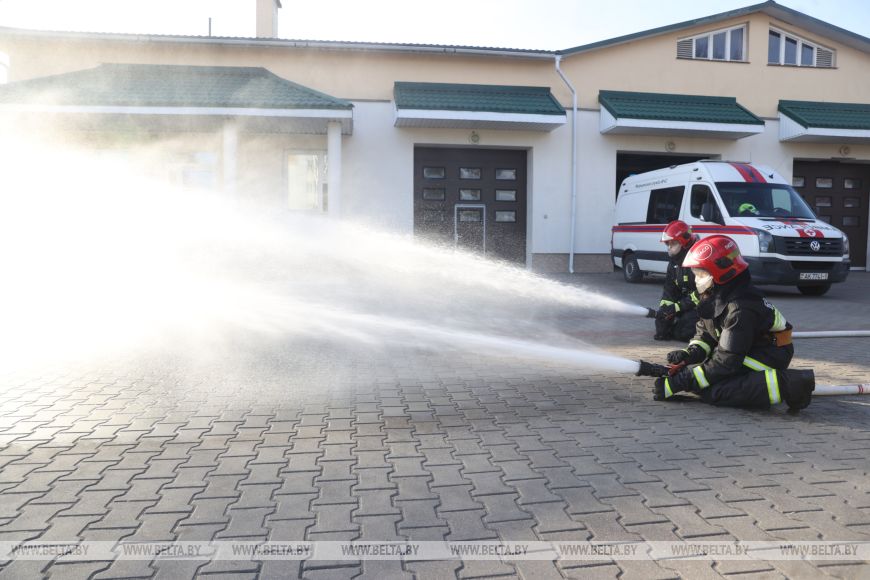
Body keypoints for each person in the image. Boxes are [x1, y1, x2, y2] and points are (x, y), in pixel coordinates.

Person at [651, 234, 815, 412]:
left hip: (769, 353)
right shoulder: (716, 296)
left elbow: (725, 363)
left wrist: (680, 382)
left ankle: (793, 384)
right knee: (705, 380)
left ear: (719, 273)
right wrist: (690, 354)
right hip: (748, 348)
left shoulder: (740, 308)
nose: (696, 280)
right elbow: (705, 333)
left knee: (716, 391)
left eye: (700, 274)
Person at [654, 220, 700, 342]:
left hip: (702, 306)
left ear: (684, 243)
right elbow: (669, 290)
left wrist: (677, 307)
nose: (669, 248)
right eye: (667, 244)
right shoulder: (674, 263)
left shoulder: (698, 262)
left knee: (684, 332)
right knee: (662, 327)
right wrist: (665, 310)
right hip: (685, 305)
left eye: (673, 243)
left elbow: (704, 293)